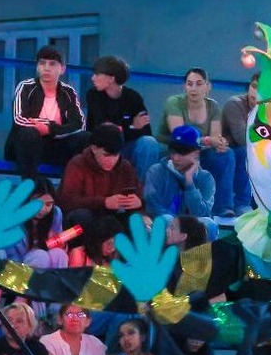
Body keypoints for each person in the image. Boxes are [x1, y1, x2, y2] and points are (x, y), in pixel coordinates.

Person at [57, 124, 144, 259]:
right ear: (94, 148)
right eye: (106, 155)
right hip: (80, 224)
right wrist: (104, 202)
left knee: (137, 219)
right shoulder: (77, 164)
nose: (112, 160)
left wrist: (138, 202)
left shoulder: (125, 167)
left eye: (115, 155)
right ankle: (79, 256)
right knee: (81, 216)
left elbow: (138, 194)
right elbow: (66, 201)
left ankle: (129, 260)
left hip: (112, 221)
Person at [2, 44, 88, 177]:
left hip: (53, 146)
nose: (46, 68)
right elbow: (19, 119)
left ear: (62, 69)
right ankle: (31, 184)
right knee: (29, 133)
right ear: (37, 67)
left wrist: (50, 128)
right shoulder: (26, 87)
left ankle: (71, 184)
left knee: (85, 138)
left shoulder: (68, 92)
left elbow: (78, 124)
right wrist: (43, 127)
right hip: (24, 146)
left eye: (52, 64)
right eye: (42, 63)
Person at [161, 68, 237, 208]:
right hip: (173, 150)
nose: (193, 89)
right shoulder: (174, 102)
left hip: (199, 151)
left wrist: (220, 143)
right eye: (189, 84)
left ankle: (223, 208)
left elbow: (215, 137)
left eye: (199, 84)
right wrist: (208, 140)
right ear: (184, 86)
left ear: (208, 86)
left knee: (226, 153)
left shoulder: (213, 106)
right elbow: (180, 137)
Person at [84, 55, 159, 175]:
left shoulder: (133, 97)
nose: (93, 78)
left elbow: (146, 131)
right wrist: (132, 127)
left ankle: (141, 186)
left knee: (149, 143)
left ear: (111, 78)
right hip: (101, 146)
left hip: (126, 147)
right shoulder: (93, 95)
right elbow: (104, 132)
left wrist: (122, 128)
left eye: (97, 74)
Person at [142, 125, 217, 225]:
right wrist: (176, 225)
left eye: (182, 153)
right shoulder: (156, 171)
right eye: (173, 152)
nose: (175, 158)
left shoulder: (205, 178)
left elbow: (202, 213)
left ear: (196, 153)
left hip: (192, 227)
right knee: (166, 219)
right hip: (164, 226)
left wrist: (189, 183)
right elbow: (153, 208)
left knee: (209, 224)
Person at [216, 72, 259, 215]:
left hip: (252, 150)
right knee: (246, 152)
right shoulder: (234, 104)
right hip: (227, 150)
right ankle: (240, 204)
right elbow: (242, 138)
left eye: (261, 89)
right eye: (254, 86)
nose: (255, 92)